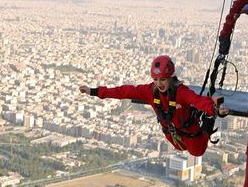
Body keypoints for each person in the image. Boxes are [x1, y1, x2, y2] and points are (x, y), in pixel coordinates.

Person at [79, 55, 229, 157]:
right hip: (171, 132)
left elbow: (197, 100)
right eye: (156, 79)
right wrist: (94, 91)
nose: (159, 83)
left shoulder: (181, 92)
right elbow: (124, 91)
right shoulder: (150, 91)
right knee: (180, 148)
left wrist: (214, 110)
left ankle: (207, 124)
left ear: (170, 78)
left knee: (197, 152)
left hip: (190, 129)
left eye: (163, 79)